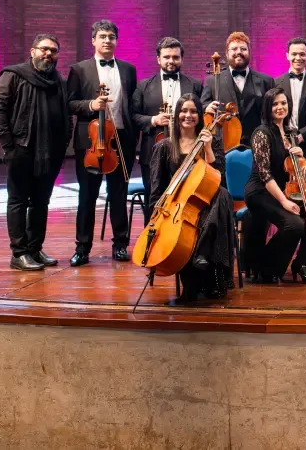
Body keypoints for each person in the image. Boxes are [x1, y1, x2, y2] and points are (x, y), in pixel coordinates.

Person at [0, 34, 71, 271]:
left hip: (51, 154)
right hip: (21, 150)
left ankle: (35, 248)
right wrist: (9, 147)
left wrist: (64, 144)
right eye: (44, 49)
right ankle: (19, 253)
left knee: (41, 202)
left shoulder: (59, 81)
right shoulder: (13, 75)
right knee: (18, 201)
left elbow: (66, 115)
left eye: (53, 51)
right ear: (33, 50)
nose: (48, 54)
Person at [146, 93, 236, 300]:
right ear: (177, 115)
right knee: (188, 228)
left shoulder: (211, 141)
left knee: (222, 194)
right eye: (184, 111)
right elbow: (156, 186)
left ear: (201, 115)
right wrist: (154, 217)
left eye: (193, 111)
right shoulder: (165, 146)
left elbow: (218, 176)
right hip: (177, 208)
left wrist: (207, 147)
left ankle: (203, 257)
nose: (188, 115)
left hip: (208, 204)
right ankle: (196, 272)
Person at [66, 20, 138, 267]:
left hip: (121, 140)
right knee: (87, 195)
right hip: (91, 142)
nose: (107, 40)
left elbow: (132, 106)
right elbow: (70, 103)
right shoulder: (79, 69)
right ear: (93, 40)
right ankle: (82, 248)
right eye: (103, 36)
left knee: (118, 194)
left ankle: (120, 245)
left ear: (116, 41)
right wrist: (90, 105)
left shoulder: (129, 69)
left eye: (111, 37)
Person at [243, 87, 306, 284]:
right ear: (267, 107)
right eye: (275, 104)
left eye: (283, 103)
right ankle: (267, 267)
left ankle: (304, 262)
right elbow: (264, 174)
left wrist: (299, 156)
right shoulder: (261, 133)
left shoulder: (291, 132)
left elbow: (292, 167)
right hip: (261, 191)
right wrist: (284, 202)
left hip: (286, 187)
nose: (280, 107)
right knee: (294, 223)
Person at [132, 37, 202, 224]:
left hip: (188, 151)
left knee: (188, 198)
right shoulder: (143, 86)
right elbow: (133, 116)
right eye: (167, 57)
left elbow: (201, 116)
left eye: (175, 57)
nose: (171, 61)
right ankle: (152, 240)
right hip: (153, 151)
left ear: (181, 59)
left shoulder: (195, 85)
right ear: (158, 59)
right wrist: (153, 120)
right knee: (154, 197)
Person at [201, 31, 275, 147]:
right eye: (234, 49)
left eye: (243, 49)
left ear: (249, 52)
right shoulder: (212, 81)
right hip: (223, 144)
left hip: (258, 144)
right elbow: (202, 106)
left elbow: (272, 115)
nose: (239, 52)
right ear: (227, 53)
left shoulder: (266, 81)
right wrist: (206, 108)